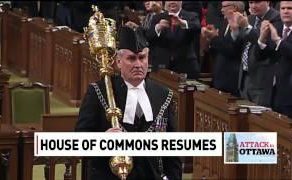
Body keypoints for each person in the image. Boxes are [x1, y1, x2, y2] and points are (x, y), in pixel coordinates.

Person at [74, 26, 182, 180]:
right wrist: (101, 140)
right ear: (118, 62)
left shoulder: (163, 94)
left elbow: (173, 150)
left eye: (142, 58)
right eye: (131, 58)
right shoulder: (98, 91)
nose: (138, 64)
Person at [257, 1, 292, 121]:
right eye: (283, 8)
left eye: (290, 8)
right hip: (272, 93)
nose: (285, 11)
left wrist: (278, 41)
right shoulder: (277, 26)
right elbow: (260, 57)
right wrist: (261, 39)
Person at [146, 1, 201, 78]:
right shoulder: (157, 17)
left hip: (185, 67)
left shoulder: (191, 16)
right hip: (162, 66)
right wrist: (158, 28)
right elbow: (148, 37)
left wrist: (182, 23)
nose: (172, 2)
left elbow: (197, 27)